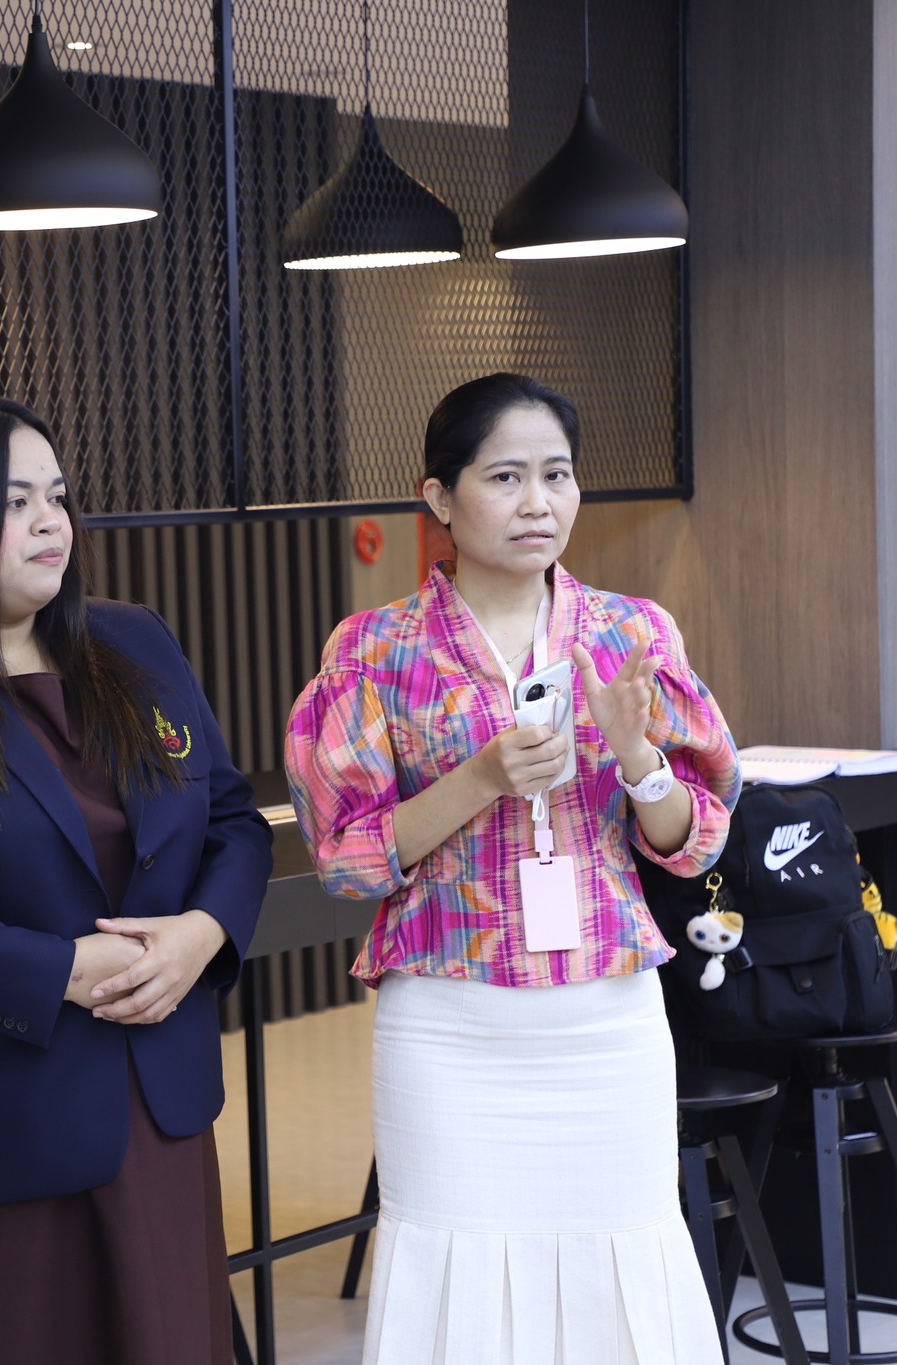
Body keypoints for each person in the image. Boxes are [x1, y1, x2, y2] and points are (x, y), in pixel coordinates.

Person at [285, 373, 739, 1364]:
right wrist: (480, 779)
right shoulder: (373, 651)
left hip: (606, 1020)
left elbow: (693, 838)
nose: (539, 502)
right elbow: (348, 860)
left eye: (557, 475)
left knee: (620, 1264)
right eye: (505, 477)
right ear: (439, 498)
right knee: (454, 1276)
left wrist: (638, 758)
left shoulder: (629, 634)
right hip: (447, 1026)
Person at [0, 398, 272, 1365]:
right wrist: (56, 972)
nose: (51, 522)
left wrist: (203, 933)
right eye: (15, 502)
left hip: (155, 1101)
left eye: (58, 496)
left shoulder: (134, 641)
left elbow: (233, 818)